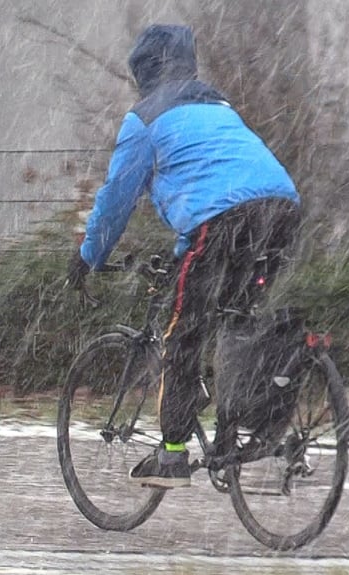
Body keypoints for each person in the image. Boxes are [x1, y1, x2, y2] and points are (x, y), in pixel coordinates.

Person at [65, 24, 302, 489]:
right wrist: (184, 253)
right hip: (281, 211)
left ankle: (172, 455)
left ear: (142, 73)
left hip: (222, 222)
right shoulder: (219, 106)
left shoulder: (145, 120)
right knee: (239, 321)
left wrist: (89, 255)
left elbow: (117, 200)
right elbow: (209, 181)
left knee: (184, 335)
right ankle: (259, 424)